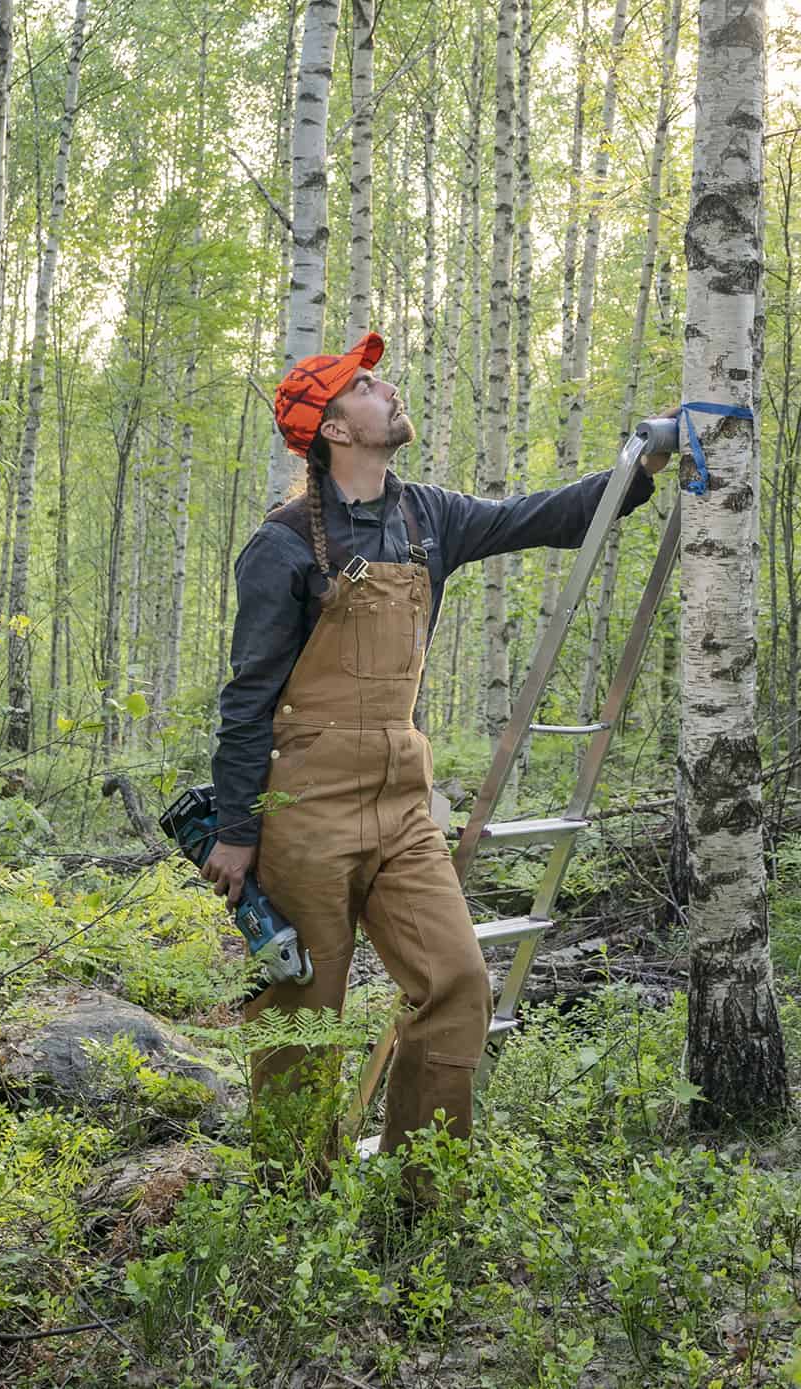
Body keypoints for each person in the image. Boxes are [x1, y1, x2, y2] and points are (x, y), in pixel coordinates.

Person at [203, 330, 670, 1182]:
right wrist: (237, 831)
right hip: (303, 812)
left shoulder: (427, 516)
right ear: (334, 430)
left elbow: (549, 516)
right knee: (304, 1019)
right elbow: (246, 700)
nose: (387, 390)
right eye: (366, 386)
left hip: (404, 806)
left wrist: (642, 462)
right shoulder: (281, 547)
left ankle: (421, 1199)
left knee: (457, 983)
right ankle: (290, 1207)